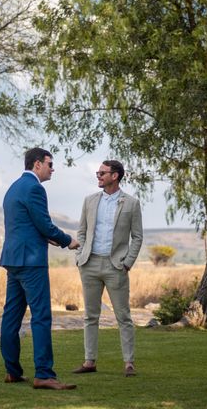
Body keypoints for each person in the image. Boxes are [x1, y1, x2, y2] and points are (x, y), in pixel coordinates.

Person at [0, 147, 80, 390]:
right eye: (50, 164)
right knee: (41, 317)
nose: (52, 169)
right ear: (37, 165)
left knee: (11, 317)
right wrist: (68, 240)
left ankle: (12, 371)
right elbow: (44, 224)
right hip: (31, 262)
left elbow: (25, 225)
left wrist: (47, 238)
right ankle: (44, 374)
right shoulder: (35, 188)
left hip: (13, 260)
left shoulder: (12, 188)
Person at [71, 160, 143, 377]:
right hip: (89, 264)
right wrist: (80, 255)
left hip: (116, 267)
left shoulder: (131, 203)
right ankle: (89, 361)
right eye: (98, 172)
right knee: (90, 316)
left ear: (115, 176)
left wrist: (127, 262)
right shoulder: (90, 201)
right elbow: (82, 231)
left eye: (102, 173)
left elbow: (137, 237)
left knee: (123, 316)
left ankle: (129, 363)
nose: (98, 176)